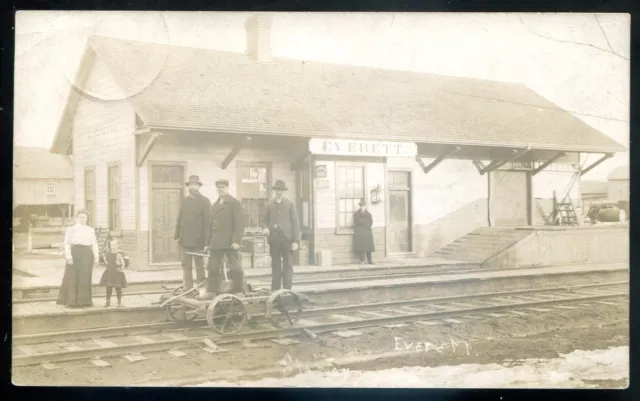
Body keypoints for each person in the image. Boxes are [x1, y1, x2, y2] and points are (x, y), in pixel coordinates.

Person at [200, 179, 245, 299]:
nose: (221, 190)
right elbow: (210, 226)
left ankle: (238, 290)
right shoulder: (214, 205)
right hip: (216, 243)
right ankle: (212, 291)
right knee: (213, 268)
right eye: (219, 188)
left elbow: (240, 223)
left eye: (223, 188)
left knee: (235, 267)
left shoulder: (234, 203)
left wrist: (236, 240)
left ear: (227, 188)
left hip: (230, 242)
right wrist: (207, 243)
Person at [174, 175, 211, 291]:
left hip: (198, 241)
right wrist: (177, 235)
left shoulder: (205, 201)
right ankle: (188, 288)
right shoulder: (185, 201)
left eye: (195, 185)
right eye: (190, 185)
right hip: (185, 240)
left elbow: (207, 223)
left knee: (199, 266)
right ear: (188, 186)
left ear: (199, 187)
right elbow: (180, 218)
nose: (192, 187)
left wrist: (206, 242)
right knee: (186, 265)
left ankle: (201, 288)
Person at [56, 209, 99, 308]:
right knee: (72, 277)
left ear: (87, 219)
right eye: (81, 217)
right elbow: (67, 244)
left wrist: (96, 256)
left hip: (87, 255)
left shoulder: (90, 230)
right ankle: (71, 302)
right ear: (77, 218)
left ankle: (84, 301)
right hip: (74, 253)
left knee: (85, 277)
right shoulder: (71, 229)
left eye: (85, 217)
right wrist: (69, 257)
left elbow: (94, 244)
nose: (83, 219)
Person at [263, 179, 300, 291]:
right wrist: (265, 228)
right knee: (276, 265)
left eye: (281, 190)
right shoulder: (269, 205)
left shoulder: (290, 204)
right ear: (274, 191)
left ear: (283, 191)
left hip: (287, 239)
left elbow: (295, 223)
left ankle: (287, 289)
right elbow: (264, 220)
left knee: (288, 265)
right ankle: (276, 290)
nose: (279, 192)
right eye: (277, 190)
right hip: (274, 239)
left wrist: (296, 241)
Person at [99, 238, 128, 307]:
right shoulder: (108, 253)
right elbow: (105, 261)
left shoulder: (121, 253)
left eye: (115, 245)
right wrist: (103, 258)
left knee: (118, 288)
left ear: (118, 245)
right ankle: (108, 301)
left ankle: (119, 302)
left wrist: (121, 264)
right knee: (109, 287)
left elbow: (126, 263)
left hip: (118, 273)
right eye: (111, 245)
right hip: (110, 272)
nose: (113, 247)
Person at [353, 199, 375, 264]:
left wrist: (364, 223)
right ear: (360, 206)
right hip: (360, 232)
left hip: (367, 232)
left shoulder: (368, 214)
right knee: (361, 247)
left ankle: (369, 260)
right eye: (361, 206)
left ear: (365, 206)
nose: (363, 207)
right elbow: (357, 221)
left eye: (364, 206)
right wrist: (365, 222)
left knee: (369, 247)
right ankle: (362, 260)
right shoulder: (356, 214)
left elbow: (371, 222)